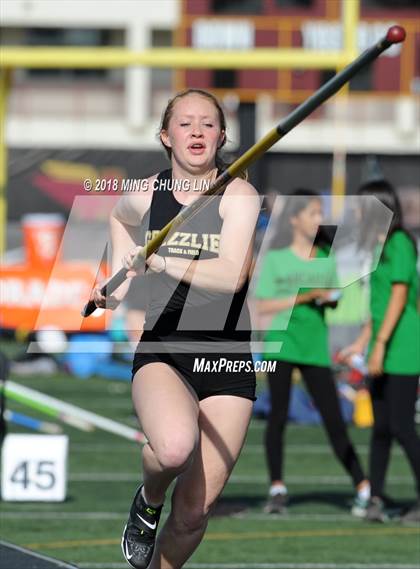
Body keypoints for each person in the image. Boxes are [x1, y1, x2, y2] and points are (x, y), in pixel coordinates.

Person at [93, 88, 260, 569]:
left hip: (227, 359)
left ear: (223, 136)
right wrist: (118, 287)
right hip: (165, 351)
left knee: (192, 512)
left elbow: (231, 276)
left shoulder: (238, 194)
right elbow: (117, 219)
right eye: (185, 124)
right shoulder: (145, 193)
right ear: (166, 136)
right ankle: (147, 503)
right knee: (172, 451)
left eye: (208, 124)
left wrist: (165, 261)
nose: (197, 132)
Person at [254, 190, 370, 516]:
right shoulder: (276, 258)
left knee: (334, 419)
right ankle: (277, 488)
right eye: (312, 213)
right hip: (282, 342)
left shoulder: (325, 257)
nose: (318, 219)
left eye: (320, 213)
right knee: (277, 416)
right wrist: (307, 296)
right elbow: (264, 306)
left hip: (314, 346)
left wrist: (328, 297)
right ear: (294, 219)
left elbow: (331, 296)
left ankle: (363, 486)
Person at [339, 179, 420, 523]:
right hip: (382, 344)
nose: (357, 212)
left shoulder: (400, 242)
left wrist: (381, 348)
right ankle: (377, 498)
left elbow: (399, 299)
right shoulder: (377, 246)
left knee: (401, 425)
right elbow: (380, 303)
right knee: (381, 428)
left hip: (402, 346)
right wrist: (361, 343)